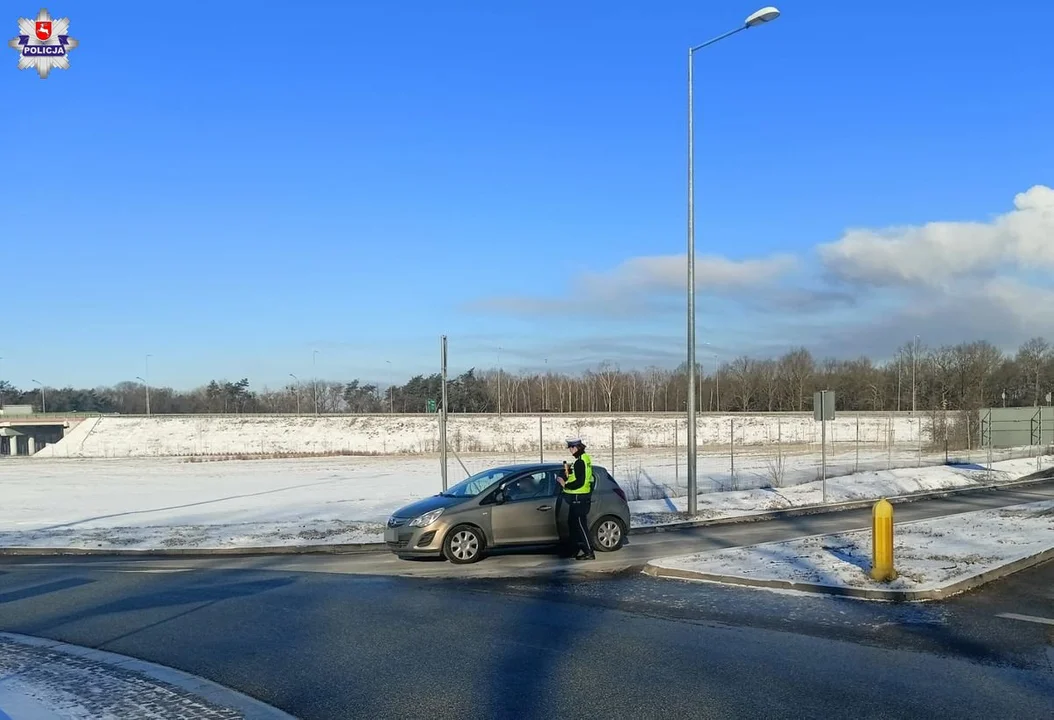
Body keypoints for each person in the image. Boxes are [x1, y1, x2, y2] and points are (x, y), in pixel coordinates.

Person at [557, 438, 595, 560]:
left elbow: (580, 481)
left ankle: (589, 552)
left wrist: (564, 484)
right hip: (581, 496)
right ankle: (573, 550)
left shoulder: (580, 462)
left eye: (570, 448)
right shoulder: (584, 459)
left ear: (576, 448)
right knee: (573, 524)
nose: (570, 451)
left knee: (580, 524)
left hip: (579, 497)